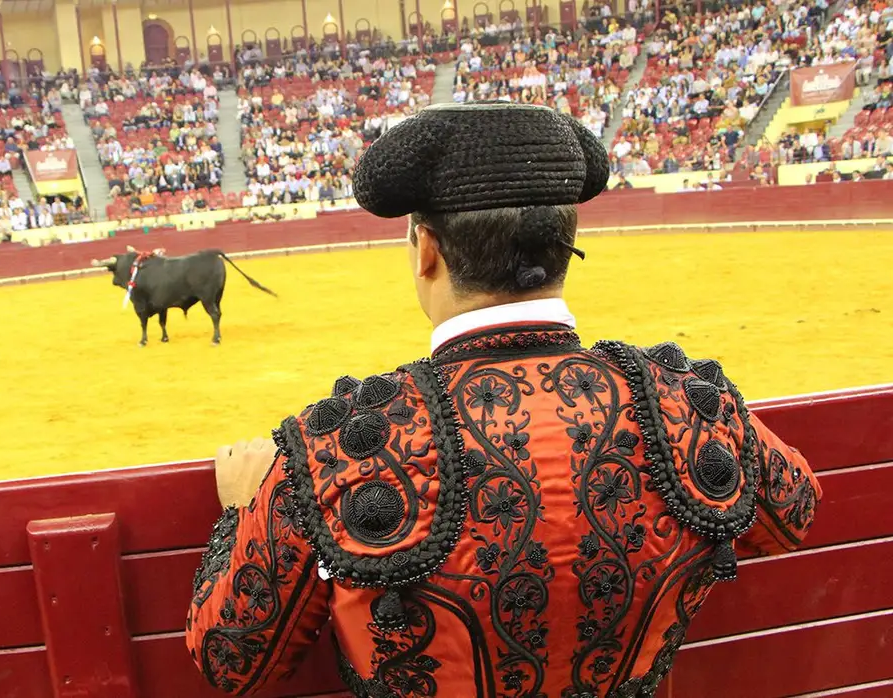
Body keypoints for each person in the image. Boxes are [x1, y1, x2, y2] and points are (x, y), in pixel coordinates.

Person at [185, 104, 822, 697]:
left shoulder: (346, 442)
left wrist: (240, 511)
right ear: (563, 247)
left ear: (427, 251)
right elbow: (793, 513)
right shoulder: (682, 401)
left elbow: (232, 658)